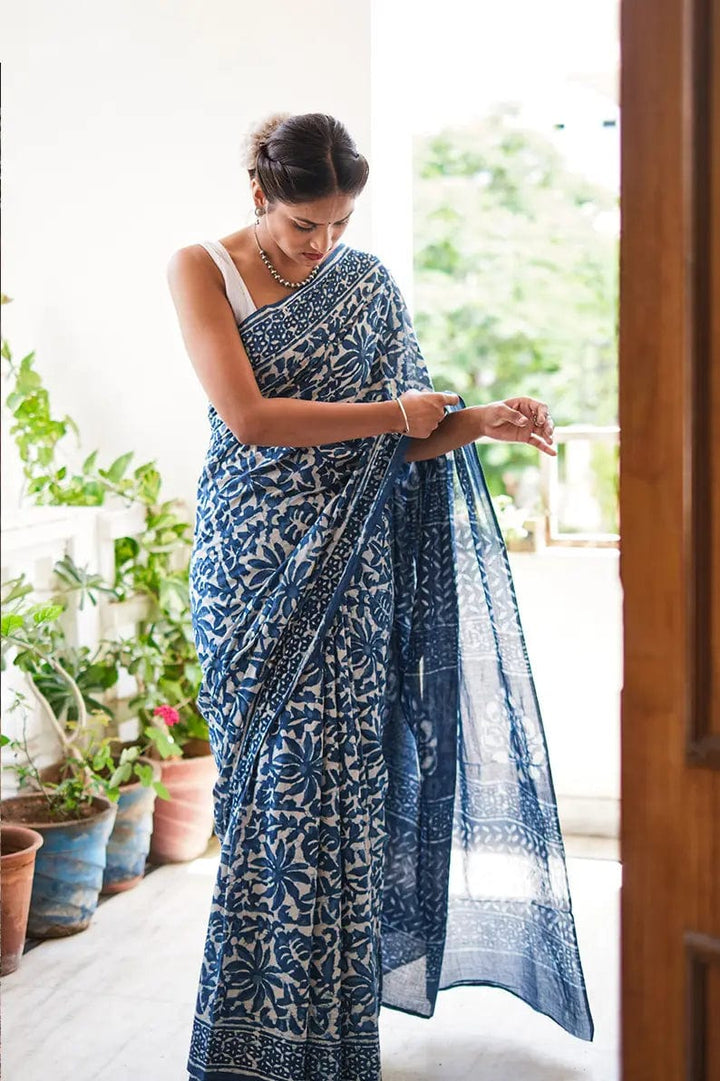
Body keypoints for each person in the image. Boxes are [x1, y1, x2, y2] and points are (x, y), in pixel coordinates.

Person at [168, 112, 593, 1081]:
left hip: (352, 579)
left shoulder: (366, 285)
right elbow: (251, 417)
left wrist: (478, 418)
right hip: (251, 571)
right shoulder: (200, 269)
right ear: (258, 194)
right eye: (302, 227)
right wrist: (392, 414)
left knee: (344, 803)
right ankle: (249, 1047)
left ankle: (324, 1047)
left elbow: (406, 434)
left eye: (339, 225)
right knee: (271, 804)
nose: (322, 246)